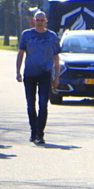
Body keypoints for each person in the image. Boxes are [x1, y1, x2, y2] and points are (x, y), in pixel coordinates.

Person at [16, 11, 61, 145]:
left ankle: (40, 134)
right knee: (30, 104)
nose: (40, 22)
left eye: (42, 20)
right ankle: (33, 131)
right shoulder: (27, 35)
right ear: (33, 21)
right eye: (38, 20)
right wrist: (18, 71)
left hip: (45, 73)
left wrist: (57, 75)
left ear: (45, 21)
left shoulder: (51, 36)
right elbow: (21, 53)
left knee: (43, 104)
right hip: (30, 73)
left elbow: (56, 57)